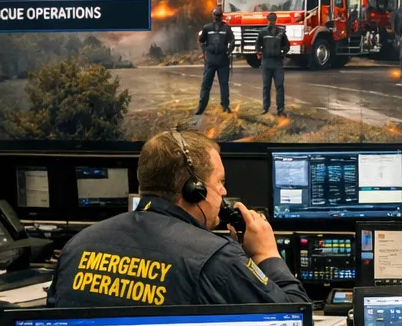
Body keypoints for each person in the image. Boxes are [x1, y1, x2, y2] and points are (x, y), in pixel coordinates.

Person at [48, 130, 306, 308]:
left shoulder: (77, 246)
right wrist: (266, 255)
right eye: (220, 182)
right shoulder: (216, 258)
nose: (224, 192)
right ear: (194, 189)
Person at [195, 6, 232, 115]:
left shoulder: (207, 28)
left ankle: (201, 108)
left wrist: (205, 50)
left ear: (213, 16)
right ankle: (225, 107)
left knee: (206, 84)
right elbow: (233, 41)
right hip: (222, 59)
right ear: (222, 16)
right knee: (224, 84)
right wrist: (228, 52)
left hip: (211, 59)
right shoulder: (226, 28)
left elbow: (201, 40)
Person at [255, 11, 287, 117]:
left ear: (275, 20)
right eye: (271, 20)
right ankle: (267, 108)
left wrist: (282, 52)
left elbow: (287, 46)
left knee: (277, 86)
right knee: (268, 86)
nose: (272, 22)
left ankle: (279, 109)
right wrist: (259, 53)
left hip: (276, 63)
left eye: (273, 20)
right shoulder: (263, 32)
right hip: (268, 63)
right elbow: (257, 45)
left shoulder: (281, 32)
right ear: (268, 20)